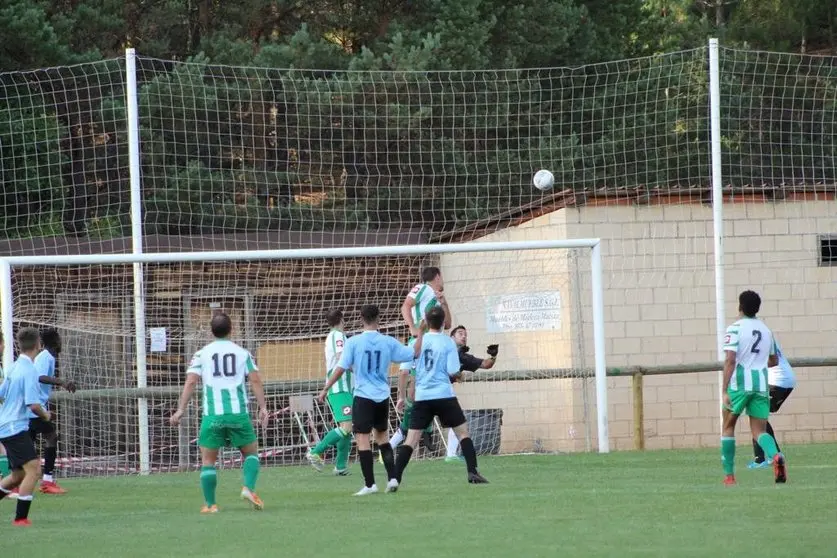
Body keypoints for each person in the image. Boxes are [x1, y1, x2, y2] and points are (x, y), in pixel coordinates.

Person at [170, 312, 269, 513]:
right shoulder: (243, 353)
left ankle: (210, 504)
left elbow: (191, 381)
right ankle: (248, 488)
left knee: (208, 461)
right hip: (237, 414)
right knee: (251, 454)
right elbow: (255, 380)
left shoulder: (201, 354)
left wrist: (181, 409)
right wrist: (263, 407)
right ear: (231, 329)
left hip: (213, 416)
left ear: (211, 331)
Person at [318, 304, 421, 496]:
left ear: (361, 319)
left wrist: (326, 388)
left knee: (362, 439)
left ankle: (370, 484)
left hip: (363, 395)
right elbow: (413, 353)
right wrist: (420, 333)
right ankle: (392, 478)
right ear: (378, 319)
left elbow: (340, 368)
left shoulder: (354, 342)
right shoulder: (388, 342)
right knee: (382, 437)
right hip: (382, 395)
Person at [394, 306, 488, 487]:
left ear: (427, 322)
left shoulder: (416, 341)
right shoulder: (447, 342)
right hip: (444, 395)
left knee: (411, 439)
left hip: (423, 396)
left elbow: (405, 369)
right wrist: (459, 375)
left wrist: (403, 394)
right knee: (463, 433)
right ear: (444, 323)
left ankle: (395, 477)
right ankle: (473, 472)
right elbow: (453, 370)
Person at [720, 290, 786, 485]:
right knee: (759, 431)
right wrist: (757, 364)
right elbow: (774, 360)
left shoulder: (734, 328)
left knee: (728, 427)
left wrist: (724, 390)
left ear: (740, 306)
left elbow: (730, 360)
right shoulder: (766, 331)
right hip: (760, 385)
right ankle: (775, 456)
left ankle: (729, 476)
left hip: (739, 385)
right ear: (757, 308)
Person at [390, 267, 452, 453]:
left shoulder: (439, 298)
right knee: (406, 376)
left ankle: (426, 429)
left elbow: (448, 324)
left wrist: (445, 303)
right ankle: (421, 426)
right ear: (438, 276)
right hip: (419, 341)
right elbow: (405, 305)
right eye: (442, 277)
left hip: (435, 346)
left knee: (425, 387)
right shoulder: (422, 288)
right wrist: (412, 327)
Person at [0, 327, 51, 526]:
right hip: (14, 427)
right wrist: (46, 415)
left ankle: (21, 517)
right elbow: (33, 404)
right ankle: (21, 519)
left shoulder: (13, 367)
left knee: (17, 475)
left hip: (7, 425)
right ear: (38, 344)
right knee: (34, 470)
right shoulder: (29, 370)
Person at [30, 328, 76, 494]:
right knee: (51, 437)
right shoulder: (46, 357)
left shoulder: (47, 357)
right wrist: (62, 382)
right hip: (34, 407)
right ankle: (47, 480)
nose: (61, 342)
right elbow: (40, 377)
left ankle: (18, 482)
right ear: (55, 341)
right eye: (59, 339)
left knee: (29, 444)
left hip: (35, 406)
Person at [307, 309, 352, 476]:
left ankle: (340, 466)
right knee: (347, 426)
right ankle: (316, 452)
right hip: (340, 387)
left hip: (342, 387)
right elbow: (342, 357)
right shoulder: (337, 336)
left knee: (346, 426)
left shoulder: (332, 336)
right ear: (341, 319)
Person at [444, 325, 498, 463]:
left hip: (442, 390)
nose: (464, 336)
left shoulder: (462, 356)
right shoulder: (443, 348)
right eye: (460, 333)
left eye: (466, 334)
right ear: (451, 337)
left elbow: (486, 364)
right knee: (413, 426)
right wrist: (457, 373)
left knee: (456, 420)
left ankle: (451, 455)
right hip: (431, 389)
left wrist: (493, 355)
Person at [748, 337, 795, 469]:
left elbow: (770, 361)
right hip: (784, 380)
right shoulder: (764, 334)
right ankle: (774, 454)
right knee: (759, 415)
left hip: (777, 381)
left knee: (756, 414)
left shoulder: (755, 336)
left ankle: (762, 459)